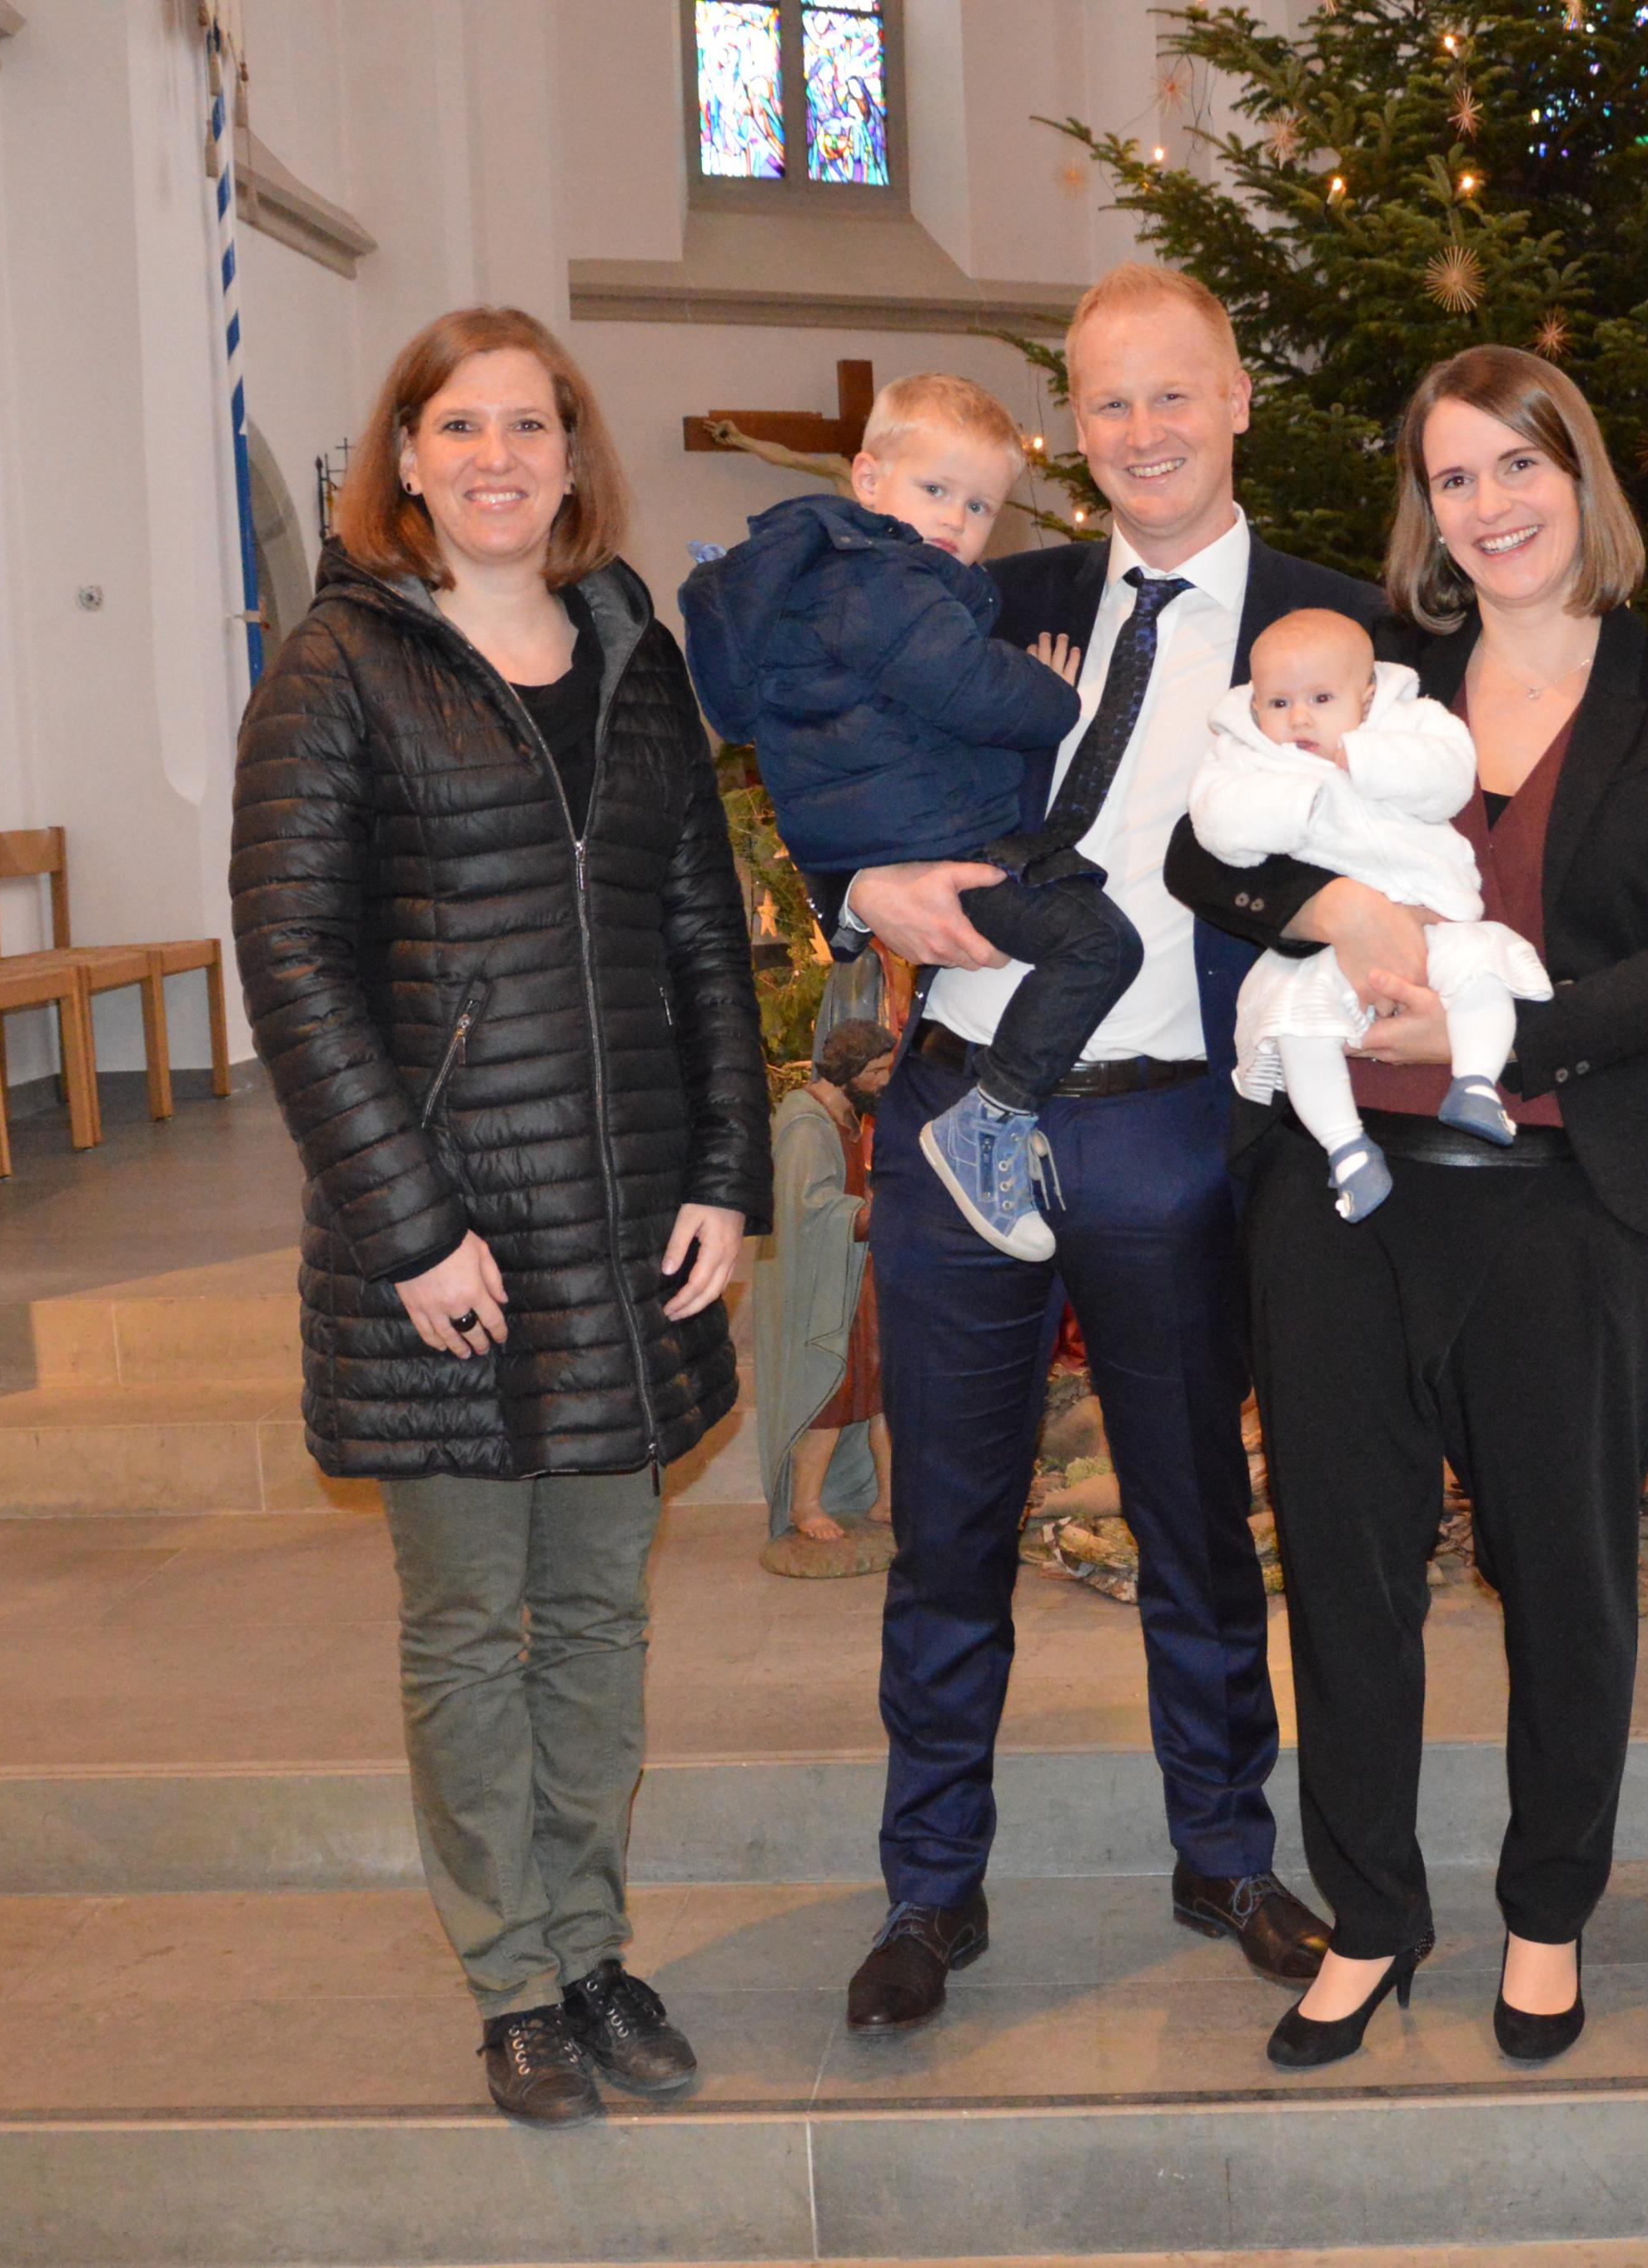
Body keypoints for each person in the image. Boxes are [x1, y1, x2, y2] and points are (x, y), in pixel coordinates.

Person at [1169, 342, 1648, 2071]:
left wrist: (1501, 1028)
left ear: (1578, 477)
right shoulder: (1370, 670)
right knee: (1342, 1570)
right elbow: (1206, 851)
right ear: (1423, 510)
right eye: (1452, 477)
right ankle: (1369, 1914)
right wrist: (1340, 908)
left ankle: (1545, 1907)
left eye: (1518, 465)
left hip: (1565, 1199)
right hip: (1340, 1190)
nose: (1490, 505)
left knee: (1566, 1577)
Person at [809, 265, 1369, 2034]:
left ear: (1237, 398)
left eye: (1172, 392)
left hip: (1176, 1120)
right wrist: (856, 883)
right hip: (958, 1102)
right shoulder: (994, 586)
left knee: (1196, 1514)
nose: (1142, 430)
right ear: (1074, 424)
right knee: (946, 1526)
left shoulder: (1339, 627)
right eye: (1109, 400)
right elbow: (827, 729)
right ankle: (928, 1883)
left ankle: (1224, 1848)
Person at [232, 307, 770, 2128]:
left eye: (527, 425)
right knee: (472, 1621)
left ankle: (595, 1949)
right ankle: (513, 1981)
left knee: (599, 1610)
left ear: (570, 451)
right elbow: (295, 964)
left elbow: (699, 927)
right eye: (458, 426)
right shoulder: (340, 665)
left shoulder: (629, 647)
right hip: (449, 1238)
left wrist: (726, 1170)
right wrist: (406, 1225)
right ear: (403, 454)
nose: (495, 458)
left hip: (621, 1229)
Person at [680, 373, 1109, 1262]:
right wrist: (1054, 695)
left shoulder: (850, 581)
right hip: (931, 845)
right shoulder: (889, 586)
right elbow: (974, 689)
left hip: (903, 828)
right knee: (1098, 943)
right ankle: (992, 1119)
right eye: (936, 489)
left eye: (980, 505)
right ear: (868, 479)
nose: (956, 518)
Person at [1190, 606, 1551, 1219]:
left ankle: (1476, 1082)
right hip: (1327, 951)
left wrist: (1364, 760)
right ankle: (1347, 1149)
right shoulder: (1246, 753)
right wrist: (1302, 800)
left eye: (1321, 698)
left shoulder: (1409, 721)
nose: (1299, 718)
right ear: (1254, 705)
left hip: (1438, 915)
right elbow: (1215, 824)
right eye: (1278, 703)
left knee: (1485, 969)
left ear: (1367, 694)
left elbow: (1450, 777)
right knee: (1296, 1024)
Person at [754, 1019, 900, 1578]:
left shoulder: (848, 1116)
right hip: (822, 1285)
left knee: (880, 1390)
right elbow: (805, 1209)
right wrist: (877, 1211)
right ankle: (806, 1504)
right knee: (831, 1393)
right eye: (877, 1072)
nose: (885, 1081)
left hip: (856, 1276)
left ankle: (889, 1499)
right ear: (848, 1073)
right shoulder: (804, 1124)